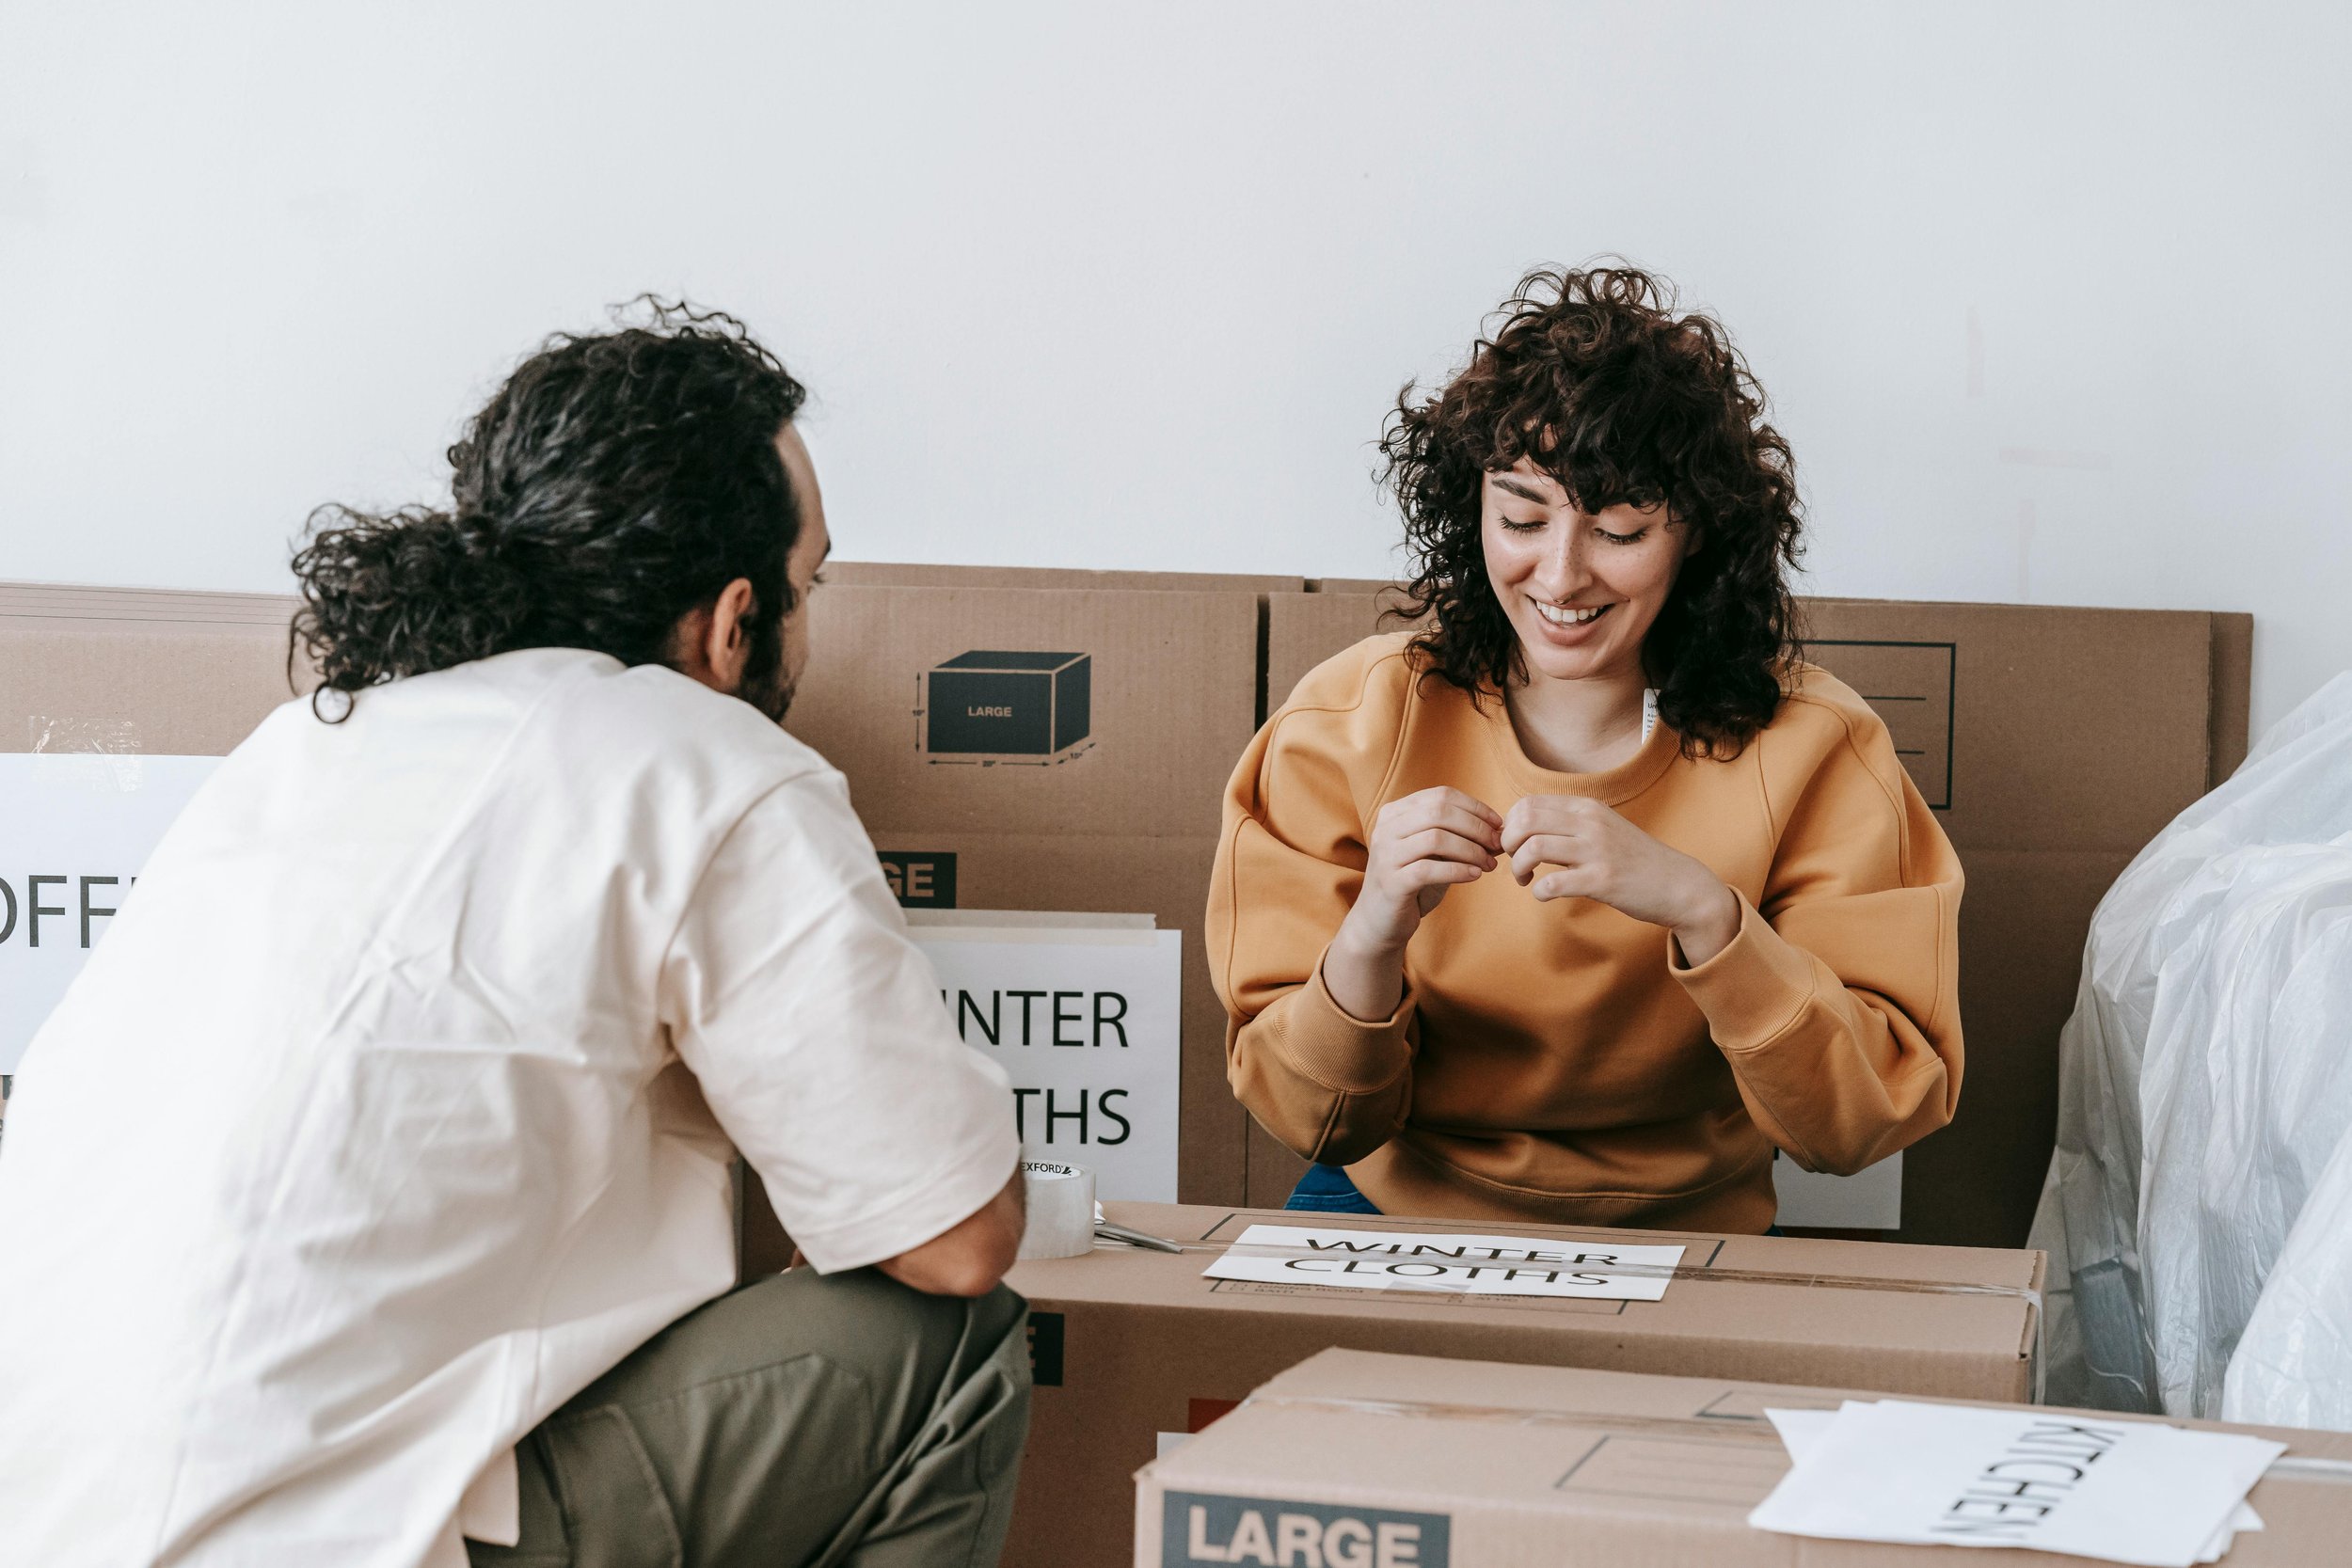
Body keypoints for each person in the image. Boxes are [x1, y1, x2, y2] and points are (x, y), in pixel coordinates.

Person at [0, 306, 1033, 1568]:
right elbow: (953, 1233)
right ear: (733, 620)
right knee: (954, 1345)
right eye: (807, 586)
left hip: (44, 1516)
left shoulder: (307, 745)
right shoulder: (705, 762)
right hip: (322, 1539)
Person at [1207, 266, 1963, 1233]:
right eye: (1521, 518)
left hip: (1694, 1227)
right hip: (1391, 1201)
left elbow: (1863, 1118)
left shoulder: (1820, 744)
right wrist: (1372, 931)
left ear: (1696, 533)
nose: (1560, 575)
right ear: (1470, 510)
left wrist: (1706, 913)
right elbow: (1305, 1114)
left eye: (1618, 529)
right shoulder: (1348, 720)